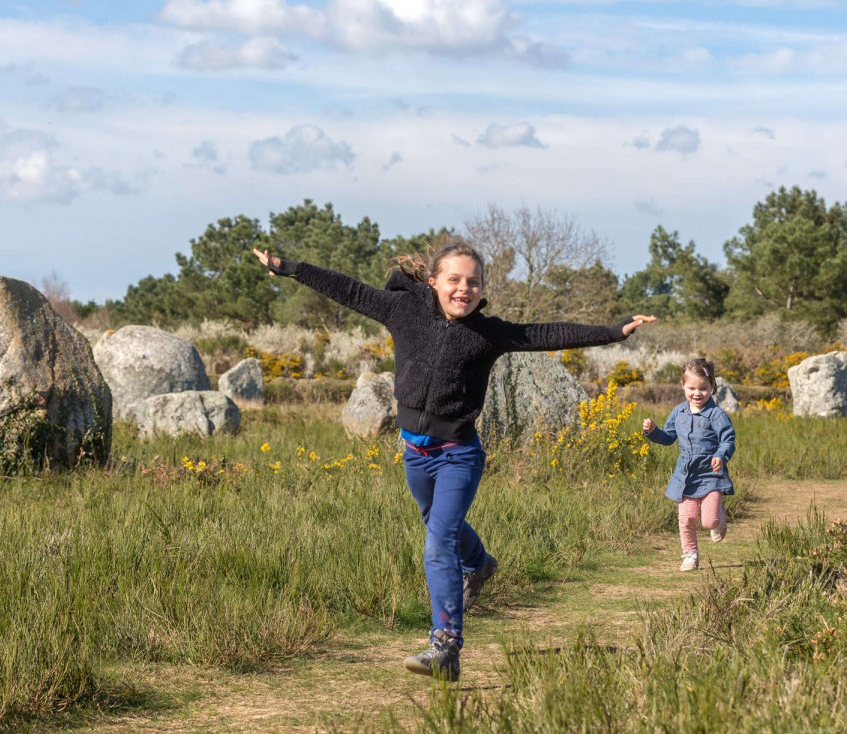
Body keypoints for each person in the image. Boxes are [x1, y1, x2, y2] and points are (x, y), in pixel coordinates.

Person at [252, 241, 656, 680]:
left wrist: (614, 331)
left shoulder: (487, 333)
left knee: (438, 541)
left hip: (459, 456)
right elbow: (346, 289)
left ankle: (445, 645)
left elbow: (546, 334)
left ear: (482, 289)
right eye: (455, 280)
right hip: (415, 455)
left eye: (474, 282)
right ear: (433, 282)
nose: (465, 289)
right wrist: (290, 268)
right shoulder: (401, 312)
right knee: (438, 525)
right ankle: (480, 563)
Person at [641, 358, 735, 572]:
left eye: (703, 388)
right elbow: (668, 438)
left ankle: (719, 520)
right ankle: (690, 555)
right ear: (683, 386)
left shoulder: (717, 415)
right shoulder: (678, 412)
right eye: (692, 388)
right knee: (686, 519)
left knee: (708, 522)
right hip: (685, 475)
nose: (697, 393)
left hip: (712, 474)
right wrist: (652, 431)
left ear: (712, 387)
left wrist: (721, 455)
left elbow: (728, 440)